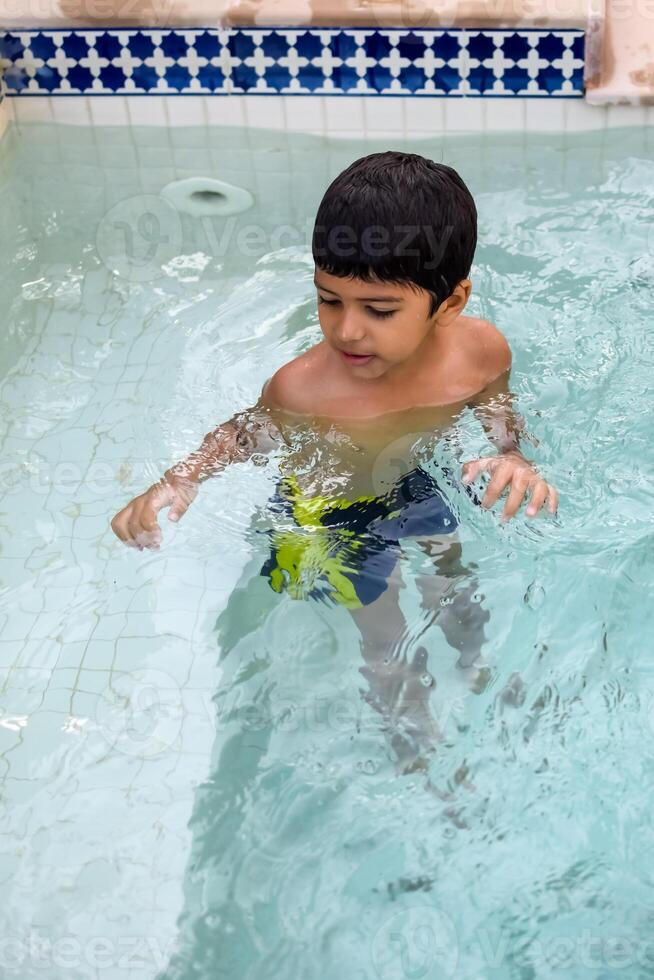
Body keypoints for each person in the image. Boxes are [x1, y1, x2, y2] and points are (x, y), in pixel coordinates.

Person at [111, 151, 558, 774]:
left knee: (452, 577)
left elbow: (498, 409)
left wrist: (513, 455)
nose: (346, 331)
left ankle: (475, 662)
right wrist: (181, 477)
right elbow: (246, 432)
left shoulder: (481, 352)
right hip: (330, 512)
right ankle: (416, 748)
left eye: (379, 310)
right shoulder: (306, 389)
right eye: (329, 300)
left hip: (411, 480)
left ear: (450, 302)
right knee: (385, 630)